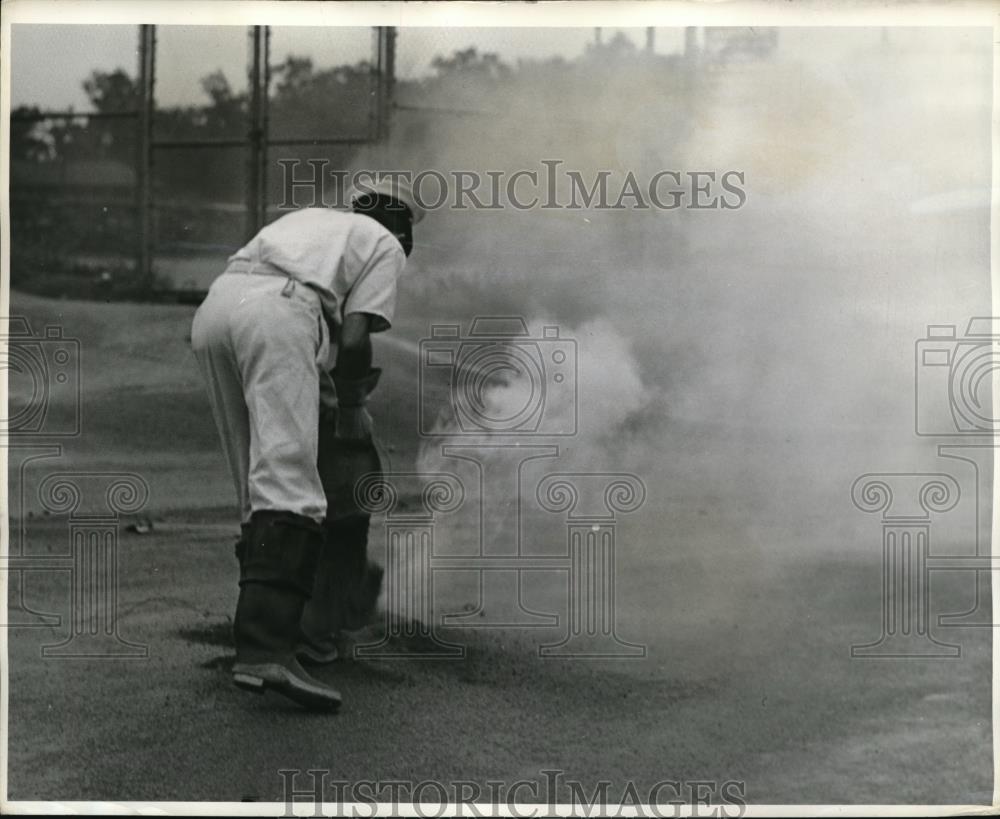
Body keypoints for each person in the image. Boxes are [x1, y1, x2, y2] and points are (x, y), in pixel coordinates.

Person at [190, 178, 422, 711]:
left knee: (257, 484)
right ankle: (268, 649)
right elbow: (357, 337)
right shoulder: (383, 243)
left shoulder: (313, 222)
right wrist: (354, 407)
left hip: (216, 311)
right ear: (401, 224)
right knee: (291, 481)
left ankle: (265, 637)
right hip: (277, 317)